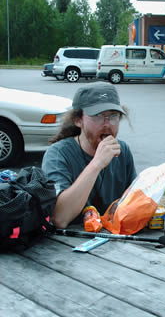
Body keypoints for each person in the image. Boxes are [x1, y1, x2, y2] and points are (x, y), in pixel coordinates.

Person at [42, 83, 136, 229]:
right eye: (98, 116)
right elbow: (60, 218)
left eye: (113, 116)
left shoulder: (122, 150)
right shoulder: (58, 154)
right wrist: (97, 163)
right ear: (78, 120)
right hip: (66, 244)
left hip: (112, 241)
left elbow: (132, 203)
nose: (107, 124)